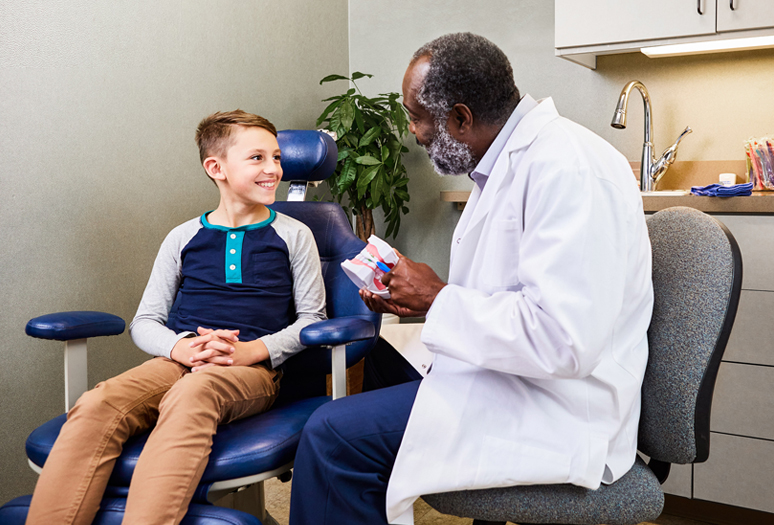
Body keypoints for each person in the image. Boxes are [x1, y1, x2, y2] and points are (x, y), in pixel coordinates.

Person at [289, 33, 653, 525]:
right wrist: (424, 301)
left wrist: (438, 298)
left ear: (461, 117)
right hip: (509, 378)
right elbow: (509, 293)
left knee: (331, 435)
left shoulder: (567, 167)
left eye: (417, 116)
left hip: (557, 406)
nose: (414, 133)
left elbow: (565, 341)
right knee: (373, 360)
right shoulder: (508, 162)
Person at [26, 110, 327, 525]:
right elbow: (146, 321)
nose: (273, 168)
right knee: (98, 402)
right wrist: (181, 347)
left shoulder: (295, 234)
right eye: (257, 158)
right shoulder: (182, 236)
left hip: (251, 369)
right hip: (176, 360)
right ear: (215, 168)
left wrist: (250, 352)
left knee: (194, 394)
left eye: (276, 157)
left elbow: (312, 321)